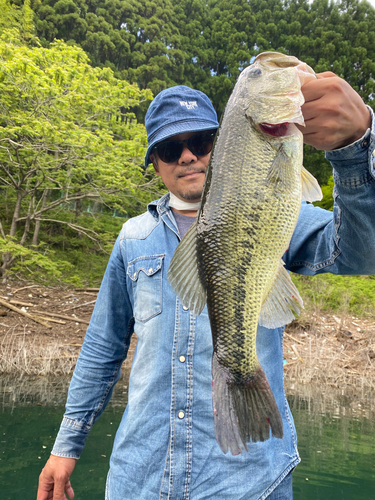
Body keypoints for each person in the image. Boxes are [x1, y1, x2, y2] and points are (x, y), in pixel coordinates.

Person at [37, 72, 375, 500]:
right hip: (140, 480)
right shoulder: (133, 238)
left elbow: (364, 252)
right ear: (154, 162)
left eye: (200, 142)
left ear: (224, 144)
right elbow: (103, 347)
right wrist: (66, 446)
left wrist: (353, 149)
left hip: (249, 483)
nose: (187, 157)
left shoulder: (275, 210)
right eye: (168, 148)